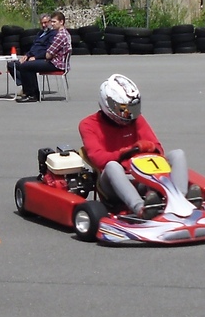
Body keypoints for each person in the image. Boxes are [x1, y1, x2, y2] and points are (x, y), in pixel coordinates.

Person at [77, 74, 188, 217]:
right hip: (113, 182)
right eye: (123, 109)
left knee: (178, 154)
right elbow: (98, 158)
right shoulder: (88, 124)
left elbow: (158, 148)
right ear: (108, 104)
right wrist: (126, 152)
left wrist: (147, 147)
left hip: (143, 174)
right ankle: (141, 209)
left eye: (132, 108)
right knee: (112, 166)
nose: (129, 114)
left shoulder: (136, 120)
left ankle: (180, 198)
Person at [15, 11, 71, 103]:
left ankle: (32, 95)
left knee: (25, 66)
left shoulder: (60, 35)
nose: (52, 24)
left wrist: (45, 55)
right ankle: (33, 93)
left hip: (56, 64)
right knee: (27, 65)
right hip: (55, 61)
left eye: (54, 22)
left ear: (61, 22)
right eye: (52, 22)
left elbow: (48, 54)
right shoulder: (65, 33)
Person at [7, 14, 54, 93]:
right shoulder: (40, 33)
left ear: (50, 22)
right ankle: (25, 86)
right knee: (12, 65)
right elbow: (34, 48)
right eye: (41, 23)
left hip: (42, 58)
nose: (43, 25)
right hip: (32, 56)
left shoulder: (53, 34)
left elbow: (49, 50)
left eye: (45, 23)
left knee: (25, 66)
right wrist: (27, 55)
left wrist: (36, 57)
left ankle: (30, 91)